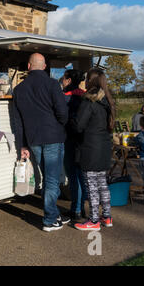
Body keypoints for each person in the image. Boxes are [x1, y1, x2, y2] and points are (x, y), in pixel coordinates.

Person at [12, 53, 69, 232]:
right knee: (52, 180)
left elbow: (18, 121)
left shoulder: (19, 89)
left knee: (46, 178)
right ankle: (50, 219)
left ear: (29, 67)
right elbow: (63, 112)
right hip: (53, 137)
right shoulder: (52, 84)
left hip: (33, 139)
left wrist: (22, 144)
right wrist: (60, 125)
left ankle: (54, 213)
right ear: (44, 67)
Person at [71, 68, 115, 231]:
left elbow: (79, 125)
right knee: (102, 183)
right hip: (103, 146)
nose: (85, 81)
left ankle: (94, 219)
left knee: (91, 185)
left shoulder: (89, 100)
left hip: (90, 147)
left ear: (91, 81)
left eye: (87, 79)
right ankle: (107, 216)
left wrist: (70, 121)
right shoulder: (107, 100)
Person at [61, 69, 87, 220]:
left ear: (69, 80)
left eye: (63, 79)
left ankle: (76, 210)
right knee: (80, 176)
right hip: (82, 140)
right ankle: (80, 207)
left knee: (73, 176)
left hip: (69, 139)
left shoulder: (65, 97)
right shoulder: (85, 96)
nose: (62, 81)